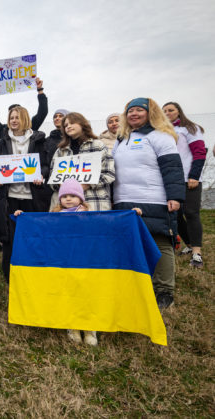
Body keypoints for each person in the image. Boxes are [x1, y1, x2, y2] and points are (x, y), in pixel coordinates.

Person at [113, 98, 185, 309]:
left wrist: (175, 196)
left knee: (159, 242)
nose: (133, 114)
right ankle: (137, 286)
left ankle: (164, 292)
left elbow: (172, 168)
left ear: (150, 113)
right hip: (123, 199)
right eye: (130, 111)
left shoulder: (160, 136)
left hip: (153, 199)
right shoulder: (121, 139)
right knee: (130, 243)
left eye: (139, 110)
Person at [14, 178, 99, 345]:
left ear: (81, 198)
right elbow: (40, 227)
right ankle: (72, 325)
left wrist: (133, 213)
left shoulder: (90, 215)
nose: (68, 198)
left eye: (72, 195)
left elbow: (107, 226)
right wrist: (23, 217)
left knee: (86, 293)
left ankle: (90, 328)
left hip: (84, 262)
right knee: (68, 293)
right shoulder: (54, 216)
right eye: (64, 195)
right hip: (63, 262)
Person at [0, 104, 51, 284]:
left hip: (34, 198)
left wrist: (42, 175)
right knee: (10, 240)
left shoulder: (39, 141)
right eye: (11, 118)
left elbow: (46, 164)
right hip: (10, 198)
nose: (13, 121)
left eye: (16, 117)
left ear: (25, 119)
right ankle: (10, 279)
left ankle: (36, 276)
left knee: (34, 237)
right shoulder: (1, 143)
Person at [163, 101, 206, 268]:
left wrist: (194, 175)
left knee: (191, 212)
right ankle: (188, 244)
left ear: (178, 112)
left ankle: (197, 253)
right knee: (175, 213)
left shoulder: (190, 128)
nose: (167, 113)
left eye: (171, 110)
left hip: (190, 177)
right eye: (164, 110)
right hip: (172, 178)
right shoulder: (162, 130)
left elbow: (200, 151)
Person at [49, 113, 115, 211]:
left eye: (72, 123)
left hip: (94, 202)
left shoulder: (98, 146)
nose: (69, 126)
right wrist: (62, 186)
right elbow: (52, 178)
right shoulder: (60, 151)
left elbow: (109, 174)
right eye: (66, 125)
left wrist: (86, 185)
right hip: (65, 208)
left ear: (83, 124)